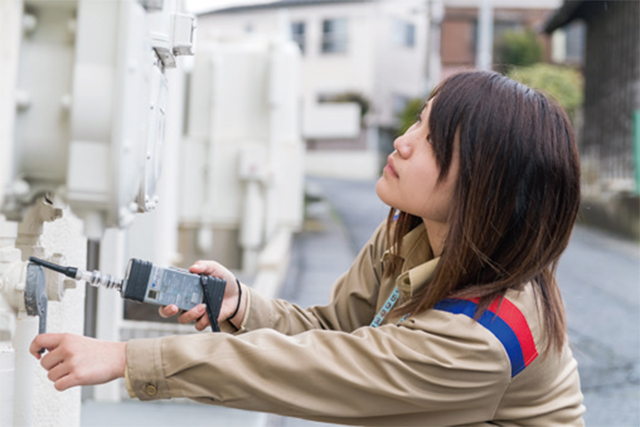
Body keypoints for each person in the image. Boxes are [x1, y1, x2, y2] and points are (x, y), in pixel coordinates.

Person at [31, 70, 585, 426]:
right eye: (418, 119)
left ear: (486, 185)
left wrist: (127, 358)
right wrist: (242, 306)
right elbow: (338, 331)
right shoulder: (409, 235)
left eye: (433, 139)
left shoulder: (484, 339)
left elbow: (313, 368)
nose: (403, 141)